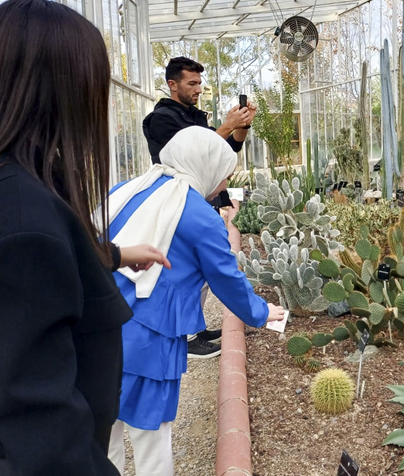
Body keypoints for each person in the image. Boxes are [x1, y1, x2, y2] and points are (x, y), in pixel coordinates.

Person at [0, 1, 168, 474]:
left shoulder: (23, 190)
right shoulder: (25, 225)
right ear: (64, 91)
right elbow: (42, 440)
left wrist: (109, 255)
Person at [105, 126, 285, 476]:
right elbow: (227, 280)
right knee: (150, 438)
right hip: (149, 334)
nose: (221, 185)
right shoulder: (199, 215)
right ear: (205, 166)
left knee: (102, 433)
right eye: (223, 176)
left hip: (97, 326)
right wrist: (264, 313)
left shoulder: (124, 190)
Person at [143, 56, 258, 358]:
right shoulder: (161, 119)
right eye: (191, 83)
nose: (197, 89)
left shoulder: (195, 116)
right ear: (172, 84)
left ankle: (197, 326)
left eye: (199, 83)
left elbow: (223, 151)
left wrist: (241, 127)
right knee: (186, 268)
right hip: (181, 200)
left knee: (201, 272)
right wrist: (224, 126)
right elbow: (191, 154)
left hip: (203, 198)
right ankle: (186, 336)